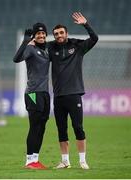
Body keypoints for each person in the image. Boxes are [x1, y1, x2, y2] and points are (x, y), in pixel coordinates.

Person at [49, 12, 98, 169]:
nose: (59, 35)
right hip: (58, 96)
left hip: (74, 94)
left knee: (78, 127)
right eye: (56, 34)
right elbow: (38, 45)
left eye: (61, 32)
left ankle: (82, 161)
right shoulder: (51, 48)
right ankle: (65, 161)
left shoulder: (77, 46)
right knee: (61, 130)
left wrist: (85, 24)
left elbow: (94, 39)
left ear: (66, 33)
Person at [13, 23, 50, 169]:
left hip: (45, 93)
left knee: (42, 126)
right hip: (33, 93)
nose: (41, 36)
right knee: (35, 126)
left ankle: (35, 159)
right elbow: (16, 59)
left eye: (43, 34)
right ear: (34, 36)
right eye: (38, 34)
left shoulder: (46, 50)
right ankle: (29, 161)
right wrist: (25, 41)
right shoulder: (30, 49)